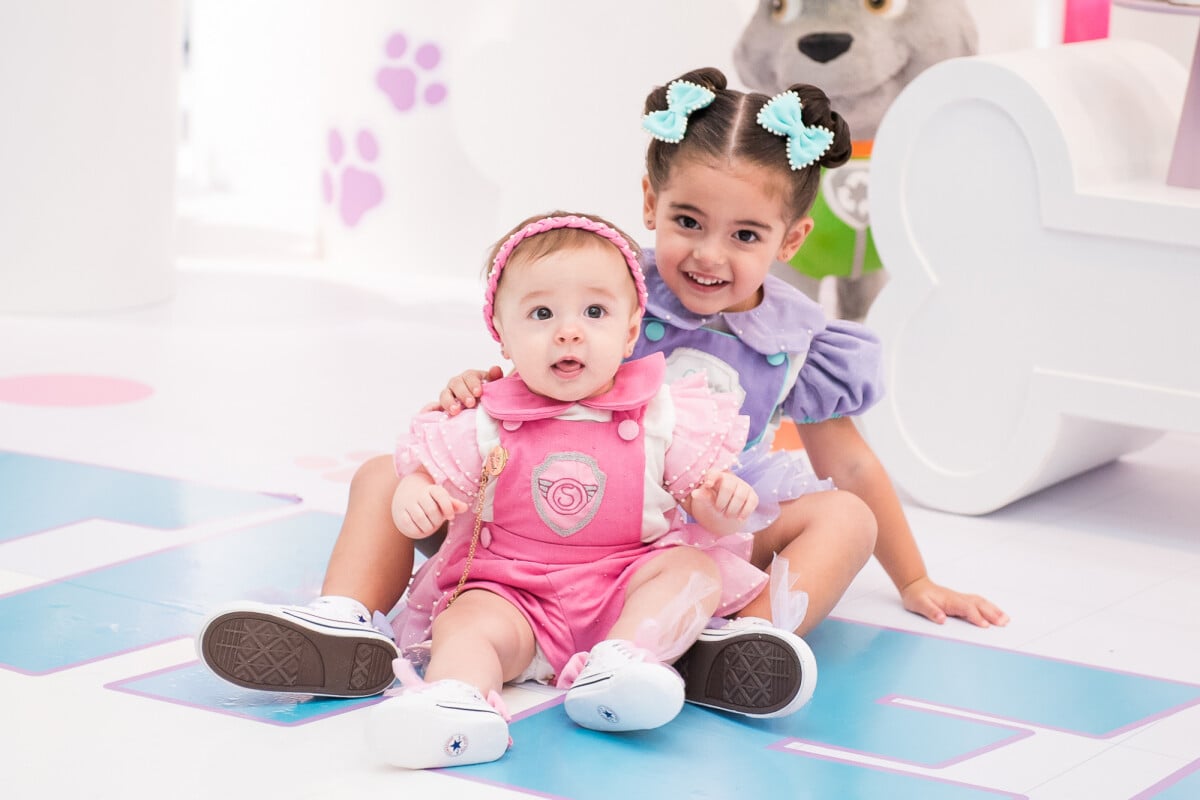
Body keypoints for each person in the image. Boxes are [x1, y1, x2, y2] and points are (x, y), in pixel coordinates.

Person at [199, 212, 814, 770]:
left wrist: (717, 500)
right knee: (466, 621)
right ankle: (458, 702)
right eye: (542, 315)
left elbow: (695, 496)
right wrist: (415, 497)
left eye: (594, 314)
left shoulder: (663, 412)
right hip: (515, 596)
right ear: (502, 333)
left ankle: (626, 665)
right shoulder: (482, 414)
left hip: (620, 587)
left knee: (689, 566)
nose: (568, 333)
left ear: (631, 332)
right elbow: (428, 488)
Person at [439, 69, 1010, 643]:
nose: (709, 255)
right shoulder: (608, 290)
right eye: (688, 222)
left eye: (745, 235)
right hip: (590, 518)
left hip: (718, 526)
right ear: (649, 202)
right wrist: (476, 389)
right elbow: (538, 372)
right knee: (403, 482)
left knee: (846, 518)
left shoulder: (794, 339)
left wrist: (914, 579)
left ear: (790, 239)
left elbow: (853, 465)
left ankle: (739, 639)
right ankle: (355, 614)